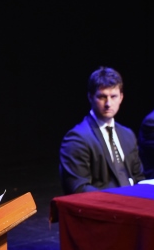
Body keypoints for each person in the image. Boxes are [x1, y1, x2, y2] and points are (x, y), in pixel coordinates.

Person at [59, 66, 144, 195]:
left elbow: (139, 177)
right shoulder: (77, 139)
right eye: (102, 97)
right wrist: (117, 200)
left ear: (121, 97)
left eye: (113, 96)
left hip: (134, 204)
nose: (108, 103)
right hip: (103, 209)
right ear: (90, 97)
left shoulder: (128, 135)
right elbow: (79, 188)